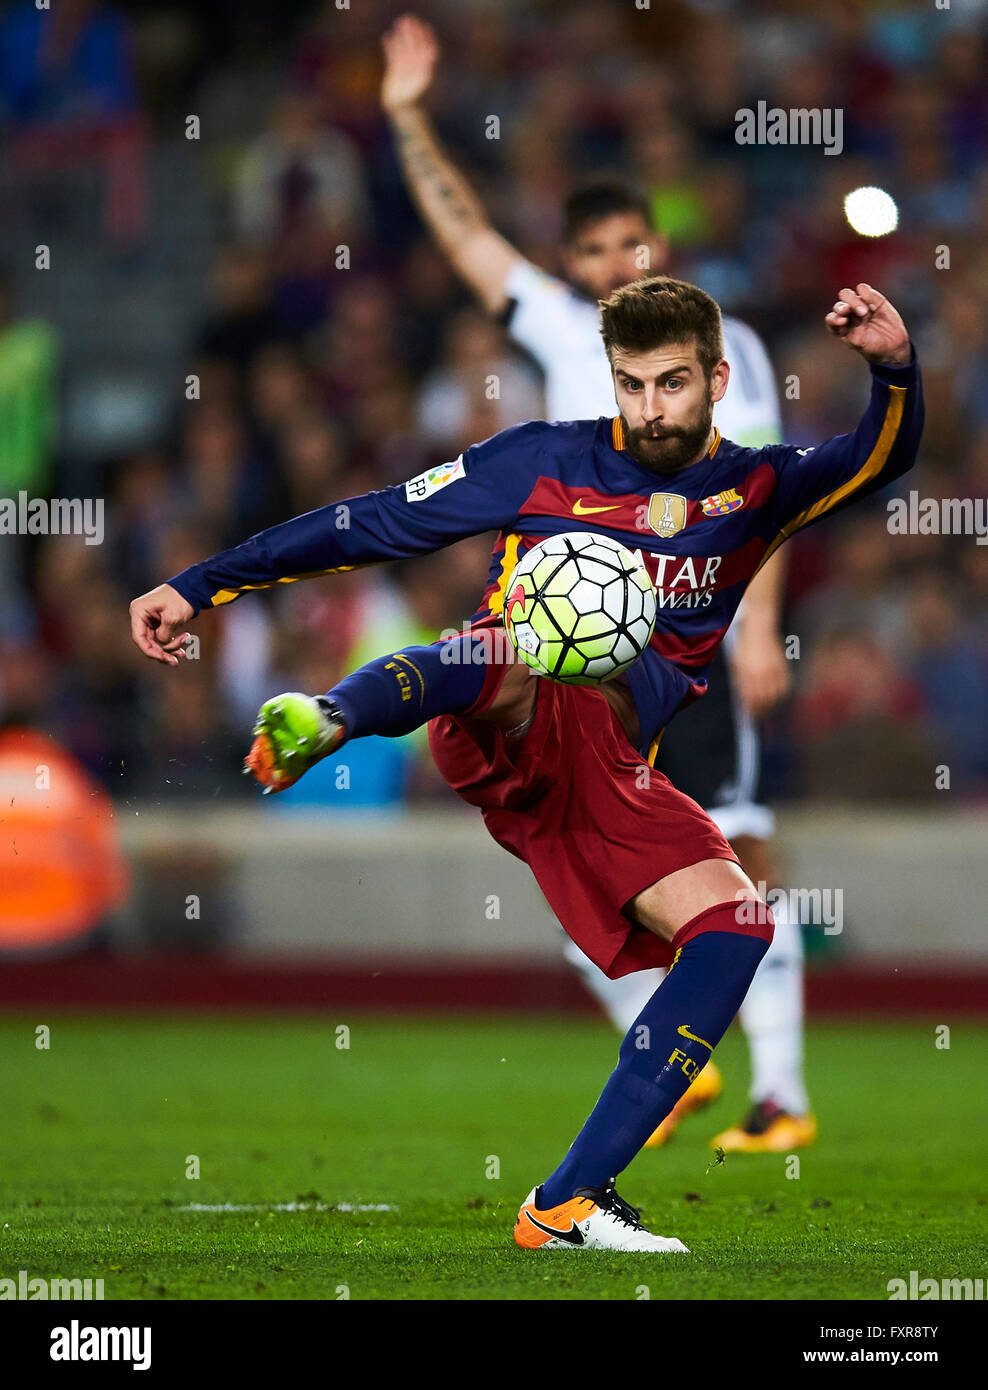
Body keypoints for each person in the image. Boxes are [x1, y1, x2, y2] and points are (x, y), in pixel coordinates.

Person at [132, 277, 920, 1250]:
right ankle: (332, 714)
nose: (649, 409)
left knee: (732, 927)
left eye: (672, 384)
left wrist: (891, 368)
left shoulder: (756, 488)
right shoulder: (539, 460)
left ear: (716, 378)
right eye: (630, 385)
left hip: (608, 764)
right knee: (506, 650)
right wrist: (199, 584)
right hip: (497, 710)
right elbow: (366, 522)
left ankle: (567, 1200)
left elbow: (878, 458)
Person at [380, 12, 810, 1149]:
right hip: (574, 651)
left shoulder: (721, 351)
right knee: (582, 863)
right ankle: (671, 1053)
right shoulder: (563, 335)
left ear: (656, 242)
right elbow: (466, 234)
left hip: (684, 645)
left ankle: (782, 1093)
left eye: (631, 243)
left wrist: (757, 628)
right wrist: (404, 116)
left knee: (737, 848)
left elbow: (755, 502)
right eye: (594, 252)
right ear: (572, 266)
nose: (616, 264)